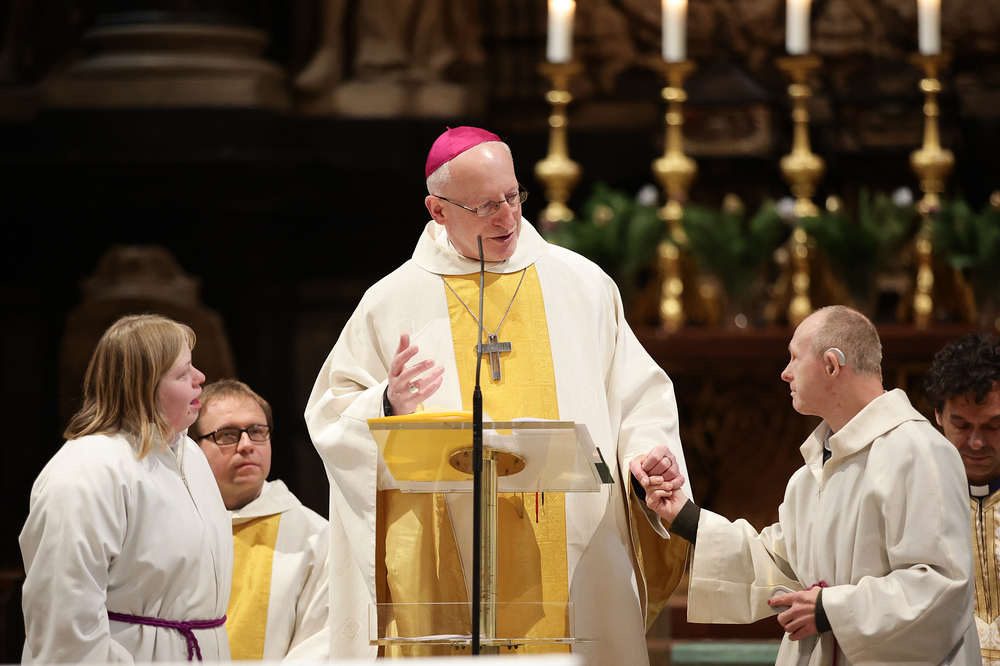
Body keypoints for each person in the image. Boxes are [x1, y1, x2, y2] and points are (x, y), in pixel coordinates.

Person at [305, 126, 689, 663]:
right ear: (438, 211)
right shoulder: (391, 301)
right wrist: (387, 404)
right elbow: (331, 414)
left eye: (513, 196)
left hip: (577, 544)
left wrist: (645, 456)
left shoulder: (583, 285)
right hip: (447, 563)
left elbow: (638, 396)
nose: (508, 218)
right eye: (486, 206)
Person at [636, 305, 980, 665]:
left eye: (794, 358)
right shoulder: (813, 471)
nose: (785, 373)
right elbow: (776, 564)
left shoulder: (918, 451)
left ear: (831, 365)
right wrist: (684, 515)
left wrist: (832, 610)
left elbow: (941, 586)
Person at [20, 314, 232, 663]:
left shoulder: (189, 454)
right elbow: (65, 620)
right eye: (183, 374)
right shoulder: (87, 469)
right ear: (143, 387)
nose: (200, 378)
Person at [190, 379, 331, 661]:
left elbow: (320, 641)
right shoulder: (172, 526)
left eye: (256, 432)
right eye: (227, 434)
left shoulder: (314, 535)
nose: (246, 445)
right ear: (192, 447)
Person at [925, 332, 1000, 665]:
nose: (977, 442)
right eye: (962, 424)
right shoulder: (914, 498)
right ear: (938, 415)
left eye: (994, 425)